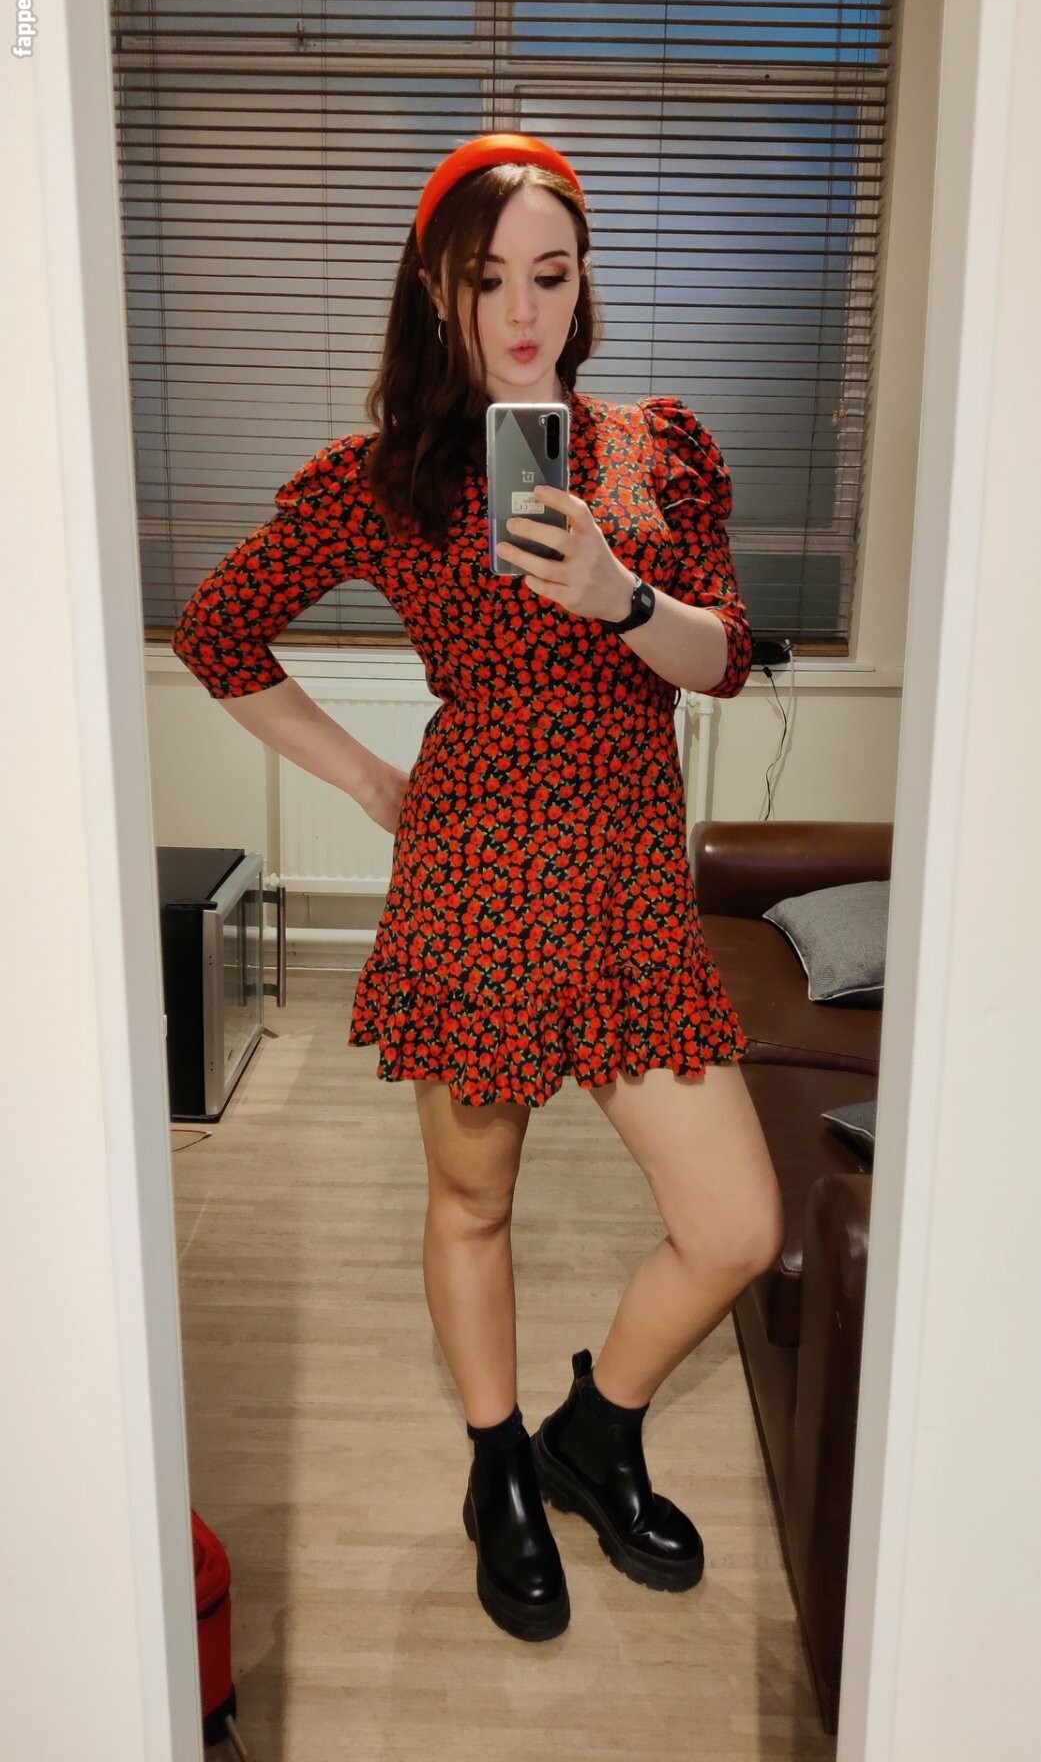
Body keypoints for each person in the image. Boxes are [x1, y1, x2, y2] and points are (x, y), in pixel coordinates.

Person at [171, 132, 786, 1646]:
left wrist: (619, 596)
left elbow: (726, 655)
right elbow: (219, 630)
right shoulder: (383, 478)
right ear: (438, 293)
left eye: (551, 276)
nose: (522, 312)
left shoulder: (656, 449)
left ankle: (598, 1428)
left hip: (631, 883)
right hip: (476, 880)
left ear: (583, 288)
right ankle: (498, 1462)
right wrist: (369, 781)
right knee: (473, 1200)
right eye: (487, 279)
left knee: (733, 1227)